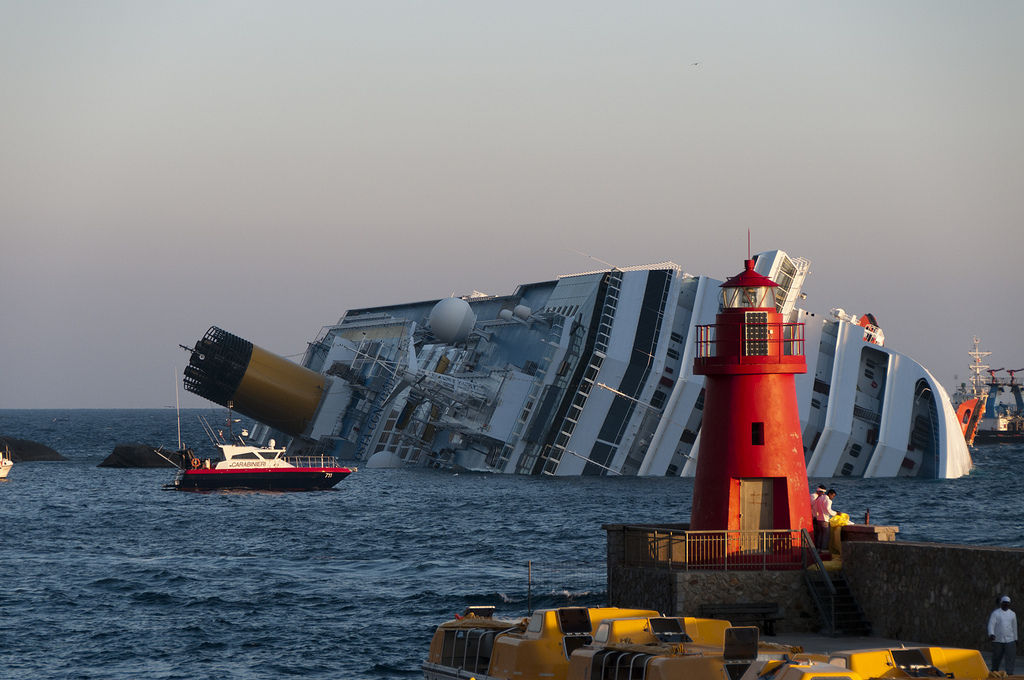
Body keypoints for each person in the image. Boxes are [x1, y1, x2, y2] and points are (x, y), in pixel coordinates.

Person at [988, 595, 1017, 674]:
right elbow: (991, 624)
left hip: (1010, 640)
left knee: (1010, 657)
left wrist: (1016, 638)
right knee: (996, 657)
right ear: (1001, 603)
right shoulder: (996, 613)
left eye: (1007, 603)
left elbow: (1014, 627)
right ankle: (994, 672)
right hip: (998, 639)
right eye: (1004, 603)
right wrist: (991, 634)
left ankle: (1010, 673)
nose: (1006, 604)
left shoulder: (1012, 614)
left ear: (1009, 604)